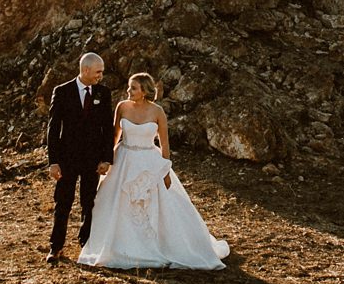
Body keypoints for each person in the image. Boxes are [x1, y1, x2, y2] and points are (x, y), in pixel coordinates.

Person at [77, 72, 229, 270]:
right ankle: (119, 245)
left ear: (144, 91)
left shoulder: (158, 112)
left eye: (133, 88)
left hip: (149, 161)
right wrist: (107, 160)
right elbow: (114, 136)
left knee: (156, 205)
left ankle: (161, 244)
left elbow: (165, 146)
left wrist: (165, 172)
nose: (128, 91)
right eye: (129, 87)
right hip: (124, 159)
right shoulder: (122, 107)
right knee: (114, 202)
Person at [44, 52, 115, 263]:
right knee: (63, 203)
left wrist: (106, 158)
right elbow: (53, 127)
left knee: (89, 202)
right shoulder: (62, 91)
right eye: (98, 72)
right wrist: (53, 161)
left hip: (93, 159)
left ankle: (86, 245)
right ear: (85, 70)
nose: (100, 76)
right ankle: (55, 247)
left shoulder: (103, 93)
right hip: (67, 159)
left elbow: (107, 128)